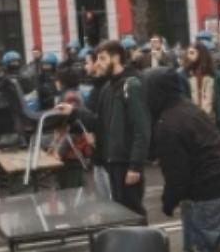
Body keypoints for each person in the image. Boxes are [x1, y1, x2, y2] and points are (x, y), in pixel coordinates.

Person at [145, 68, 220, 252]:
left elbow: (177, 173)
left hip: (206, 192)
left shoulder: (168, 124)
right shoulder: (189, 108)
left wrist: (169, 201)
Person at [57, 40, 151, 217]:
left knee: (133, 213)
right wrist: (74, 112)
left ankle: (147, 244)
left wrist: (135, 166)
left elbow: (142, 129)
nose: (98, 63)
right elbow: (98, 123)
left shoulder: (131, 85)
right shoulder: (107, 88)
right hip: (112, 161)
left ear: (116, 58)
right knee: (120, 213)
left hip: (126, 162)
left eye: (102, 58)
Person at [181, 40, 220, 137]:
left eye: (192, 53)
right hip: (190, 127)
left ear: (201, 54)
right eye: (187, 53)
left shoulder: (215, 76)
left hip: (213, 126)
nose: (188, 56)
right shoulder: (182, 76)